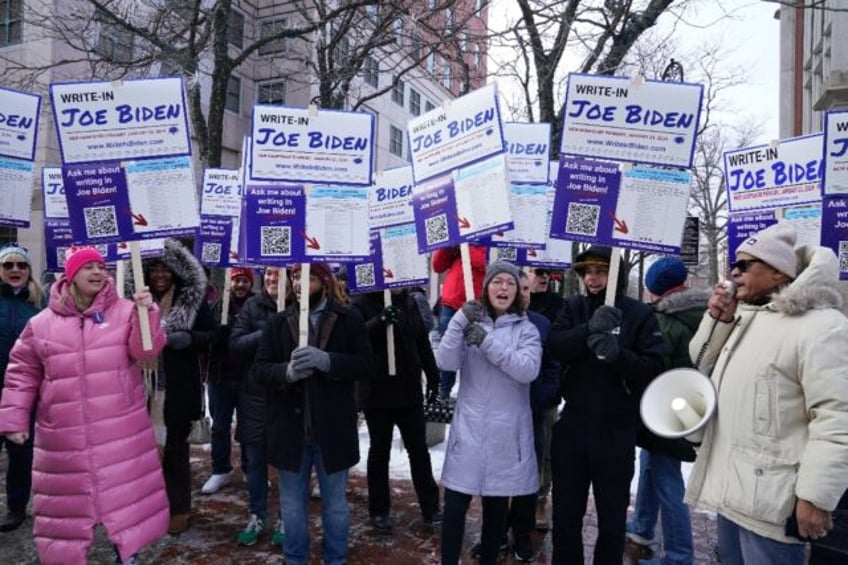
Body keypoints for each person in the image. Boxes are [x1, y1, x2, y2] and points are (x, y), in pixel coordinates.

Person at [686, 222, 848, 565]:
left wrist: (816, 497)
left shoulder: (823, 326)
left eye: (745, 265)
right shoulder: (744, 317)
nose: (734, 272)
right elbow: (698, 360)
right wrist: (718, 320)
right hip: (732, 491)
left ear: (777, 273)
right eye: (734, 264)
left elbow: (838, 416)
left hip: (772, 502)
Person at [0, 245, 168, 564]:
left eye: (101, 267)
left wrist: (149, 314)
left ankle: (127, 556)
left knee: (125, 502)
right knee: (66, 511)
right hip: (63, 437)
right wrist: (14, 419)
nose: (97, 272)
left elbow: (146, 352)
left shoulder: (124, 311)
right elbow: (22, 372)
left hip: (120, 431)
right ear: (71, 275)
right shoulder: (41, 323)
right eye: (88, 267)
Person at [547, 245, 665, 564]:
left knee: (612, 522)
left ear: (617, 276)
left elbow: (654, 367)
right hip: (573, 426)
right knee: (566, 517)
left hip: (616, 430)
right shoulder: (573, 307)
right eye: (588, 272)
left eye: (601, 271)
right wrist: (589, 329)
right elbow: (555, 346)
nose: (593, 278)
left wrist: (617, 355)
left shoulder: (640, 314)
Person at [252, 262, 372, 565]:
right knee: (292, 509)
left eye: (308, 277)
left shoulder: (348, 318)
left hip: (332, 430)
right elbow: (260, 369)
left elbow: (365, 364)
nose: (299, 282)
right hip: (291, 432)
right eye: (294, 276)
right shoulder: (279, 322)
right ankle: (295, 560)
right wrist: (287, 372)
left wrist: (328, 361)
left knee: (335, 506)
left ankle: (336, 559)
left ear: (325, 281)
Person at [437, 261, 541, 565]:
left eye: (510, 283)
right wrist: (458, 321)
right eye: (497, 282)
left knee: (495, 518)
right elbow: (446, 361)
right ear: (486, 288)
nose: (503, 288)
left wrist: (487, 341)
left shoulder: (527, 330)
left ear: (518, 292)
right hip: (468, 434)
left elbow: (526, 370)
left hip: (506, 438)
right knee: (454, 511)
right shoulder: (470, 322)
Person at [626, 256, 709, 565]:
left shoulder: (667, 319)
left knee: (667, 479)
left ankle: (678, 555)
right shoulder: (706, 313)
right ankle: (643, 526)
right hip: (691, 405)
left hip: (669, 409)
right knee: (651, 464)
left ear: (654, 290)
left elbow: (654, 365)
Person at [137, 238, 216, 535]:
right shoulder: (135, 299)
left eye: (166, 269)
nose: (160, 275)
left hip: (178, 390)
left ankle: (179, 507)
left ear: (177, 272)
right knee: (141, 453)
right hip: (138, 388)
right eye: (154, 268)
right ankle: (147, 508)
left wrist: (190, 340)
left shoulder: (190, 300)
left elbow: (213, 335)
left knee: (175, 452)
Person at [351, 289, 442, 532]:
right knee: (380, 451)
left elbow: (421, 341)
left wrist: (433, 377)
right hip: (377, 391)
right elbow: (355, 337)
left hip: (408, 389)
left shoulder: (410, 303)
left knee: (418, 450)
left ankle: (431, 506)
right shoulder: (361, 303)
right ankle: (379, 509)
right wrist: (379, 322)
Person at [502, 270, 561, 562]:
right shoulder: (495, 324)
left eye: (527, 288)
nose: (523, 293)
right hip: (500, 416)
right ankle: (498, 533)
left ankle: (522, 535)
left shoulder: (541, 324)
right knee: (498, 479)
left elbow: (552, 367)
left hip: (534, 413)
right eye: (518, 287)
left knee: (529, 478)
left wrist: (542, 398)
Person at [228, 267, 286, 546]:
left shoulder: (299, 304)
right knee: (255, 462)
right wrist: (266, 333)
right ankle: (257, 514)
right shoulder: (253, 306)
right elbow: (236, 345)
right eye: (270, 273)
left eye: (280, 273)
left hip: (288, 398)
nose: (274, 278)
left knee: (289, 463)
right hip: (255, 397)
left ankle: (288, 518)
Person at [0, 243, 44, 532]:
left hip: (25, 391)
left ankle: (16, 507)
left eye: (21, 265)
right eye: (8, 265)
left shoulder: (40, 304)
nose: (15, 270)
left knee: (20, 451)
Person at [202, 267, 256, 495]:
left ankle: (250, 468)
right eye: (236, 280)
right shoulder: (217, 307)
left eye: (245, 280)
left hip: (249, 378)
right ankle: (220, 469)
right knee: (220, 427)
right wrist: (217, 336)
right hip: (220, 377)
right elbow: (204, 339)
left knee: (248, 427)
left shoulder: (256, 306)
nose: (240, 285)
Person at [526, 266, 563, 530]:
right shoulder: (512, 308)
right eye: (538, 271)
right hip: (516, 395)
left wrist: (552, 389)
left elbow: (558, 353)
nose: (544, 277)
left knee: (547, 449)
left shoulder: (559, 305)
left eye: (548, 272)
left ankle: (540, 499)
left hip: (545, 393)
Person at [432, 244, 486, 399]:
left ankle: (470, 394)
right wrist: (448, 246)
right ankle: (444, 393)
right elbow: (437, 266)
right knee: (448, 350)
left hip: (473, 307)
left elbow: (480, 263)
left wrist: (465, 244)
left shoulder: (481, 244)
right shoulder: (455, 250)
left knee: (473, 350)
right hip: (449, 306)